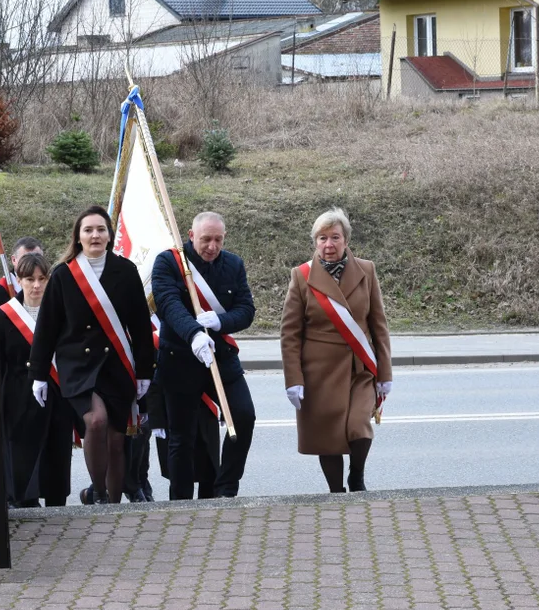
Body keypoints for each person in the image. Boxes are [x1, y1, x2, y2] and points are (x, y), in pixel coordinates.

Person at [29, 206, 154, 504]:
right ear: (78, 237)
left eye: (100, 229)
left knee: (115, 439)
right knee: (95, 421)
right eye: (88, 230)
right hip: (79, 365)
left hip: (116, 364)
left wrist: (146, 371)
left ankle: (112, 504)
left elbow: (140, 324)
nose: (95, 235)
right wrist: (38, 374)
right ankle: (97, 493)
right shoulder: (63, 275)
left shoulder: (125, 271)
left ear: (110, 236)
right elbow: (47, 327)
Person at [280, 208, 392, 493]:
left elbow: (378, 324)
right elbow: (290, 334)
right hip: (319, 371)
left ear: (346, 240)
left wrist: (385, 372)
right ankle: (336, 492)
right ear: (315, 242)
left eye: (335, 237)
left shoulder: (366, 271)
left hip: (359, 367)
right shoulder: (301, 276)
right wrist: (294, 379)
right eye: (322, 238)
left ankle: (357, 478)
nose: (328, 245)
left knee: (359, 426)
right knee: (326, 434)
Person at [152, 211, 255, 499]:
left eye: (218, 240)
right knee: (181, 436)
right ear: (190, 235)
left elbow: (246, 309)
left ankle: (225, 489)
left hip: (220, 356)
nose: (212, 247)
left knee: (244, 416)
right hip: (181, 356)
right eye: (206, 239)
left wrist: (221, 322)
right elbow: (168, 303)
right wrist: (194, 332)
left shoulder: (233, 264)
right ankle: (181, 500)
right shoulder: (169, 262)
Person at [0, 252, 74, 508]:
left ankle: (56, 505)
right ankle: (25, 504)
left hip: (56, 393)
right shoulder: (4, 315)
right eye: (30, 279)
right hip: (19, 396)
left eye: (42, 278)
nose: (37, 285)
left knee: (57, 453)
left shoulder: (61, 312)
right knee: (24, 456)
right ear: (19, 280)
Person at [0, 236, 44, 305]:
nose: (32, 263)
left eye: (38, 258)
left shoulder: (51, 285)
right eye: (25, 259)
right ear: (14, 260)